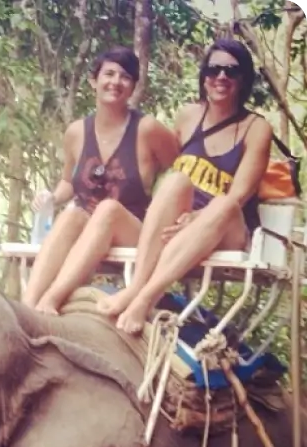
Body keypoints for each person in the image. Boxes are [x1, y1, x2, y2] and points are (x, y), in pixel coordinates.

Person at [92, 38, 274, 334]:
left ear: (243, 79)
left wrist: (197, 218)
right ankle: (136, 286)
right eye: (214, 69)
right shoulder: (187, 115)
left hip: (226, 228)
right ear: (204, 77)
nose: (221, 77)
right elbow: (157, 168)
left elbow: (240, 195)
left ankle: (146, 298)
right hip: (177, 227)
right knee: (176, 180)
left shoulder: (256, 128)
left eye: (231, 70)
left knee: (224, 203)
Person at [22, 46, 179, 313]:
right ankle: (28, 305)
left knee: (108, 210)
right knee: (72, 215)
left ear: (132, 87)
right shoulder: (76, 132)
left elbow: (184, 169)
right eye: (109, 74)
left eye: (125, 77)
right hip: (87, 229)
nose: (115, 82)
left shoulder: (148, 129)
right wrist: (52, 197)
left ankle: (52, 299)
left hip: (133, 230)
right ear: (94, 81)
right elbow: (69, 183)